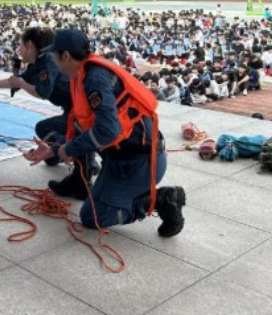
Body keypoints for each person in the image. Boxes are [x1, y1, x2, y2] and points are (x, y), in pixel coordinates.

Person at [24, 29, 185, 237]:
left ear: (65, 56)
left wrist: (67, 148)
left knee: (92, 218)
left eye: (54, 55)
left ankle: (161, 199)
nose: (52, 60)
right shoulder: (80, 74)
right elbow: (83, 127)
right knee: (93, 207)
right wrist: (55, 150)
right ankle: (85, 182)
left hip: (140, 162)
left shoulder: (95, 80)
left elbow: (108, 130)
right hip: (117, 157)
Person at [0, 27, 87, 191]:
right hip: (69, 108)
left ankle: (83, 161)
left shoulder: (48, 60)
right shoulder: (37, 64)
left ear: (29, 45)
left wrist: (22, 84)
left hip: (79, 109)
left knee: (44, 128)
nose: (18, 50)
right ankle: (67, 152)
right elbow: (14, 82)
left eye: (20, 45)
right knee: (50, 159)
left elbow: (42, 92)